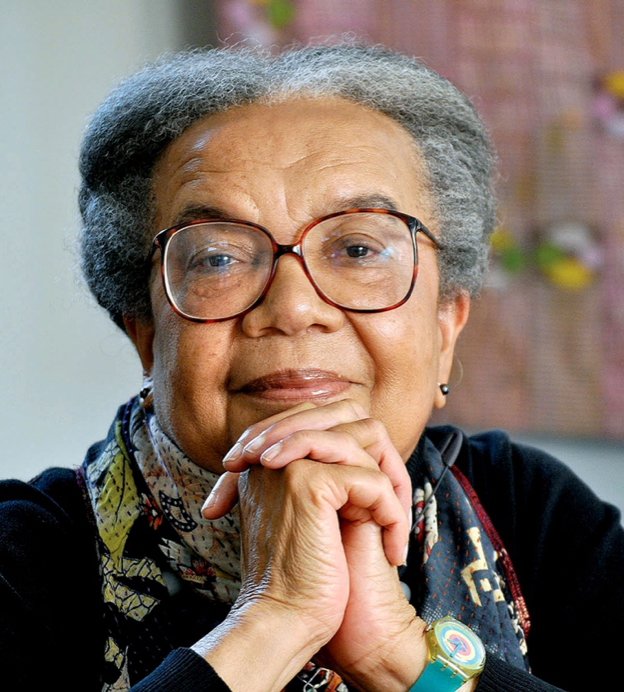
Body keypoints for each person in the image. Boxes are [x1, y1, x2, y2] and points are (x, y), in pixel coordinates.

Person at [1, 42, 622, 692]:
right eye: (216, 258)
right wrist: (272, 619)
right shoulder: (23, 558)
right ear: (145, 332)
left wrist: (397, 654)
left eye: (357, 248)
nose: (294, 308)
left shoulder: (531, 514)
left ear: (446, 327)